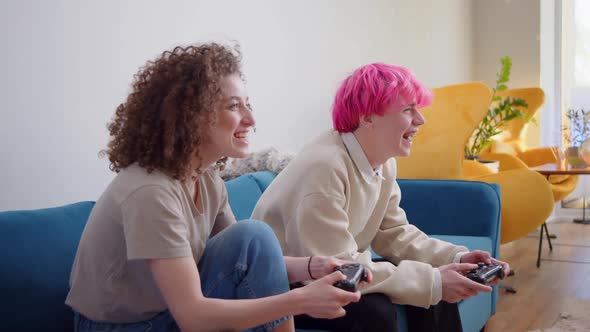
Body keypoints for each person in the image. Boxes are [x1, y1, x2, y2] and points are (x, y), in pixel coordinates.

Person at [65, 43, 367, 332]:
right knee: (256, 234)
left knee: (254, 236)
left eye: (248, 105)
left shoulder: (206, 179)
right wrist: (302, 300)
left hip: (166, 314)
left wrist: (317, 267)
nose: (251, 119)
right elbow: (193, 318)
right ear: (191, 116)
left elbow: (252, 259)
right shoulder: (150, 192)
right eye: (235, 106)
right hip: (124, 327)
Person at [252, 63, 511, 332]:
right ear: (367, 118)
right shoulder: (325, 168)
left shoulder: (382, 162)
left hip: (341, 265)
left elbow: (395, 233)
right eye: (407, 110)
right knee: (380, 310)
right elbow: (333, 269)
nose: (420, 120)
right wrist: (433, 281)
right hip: (288, 284)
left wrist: (455, 258)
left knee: (432, 290)